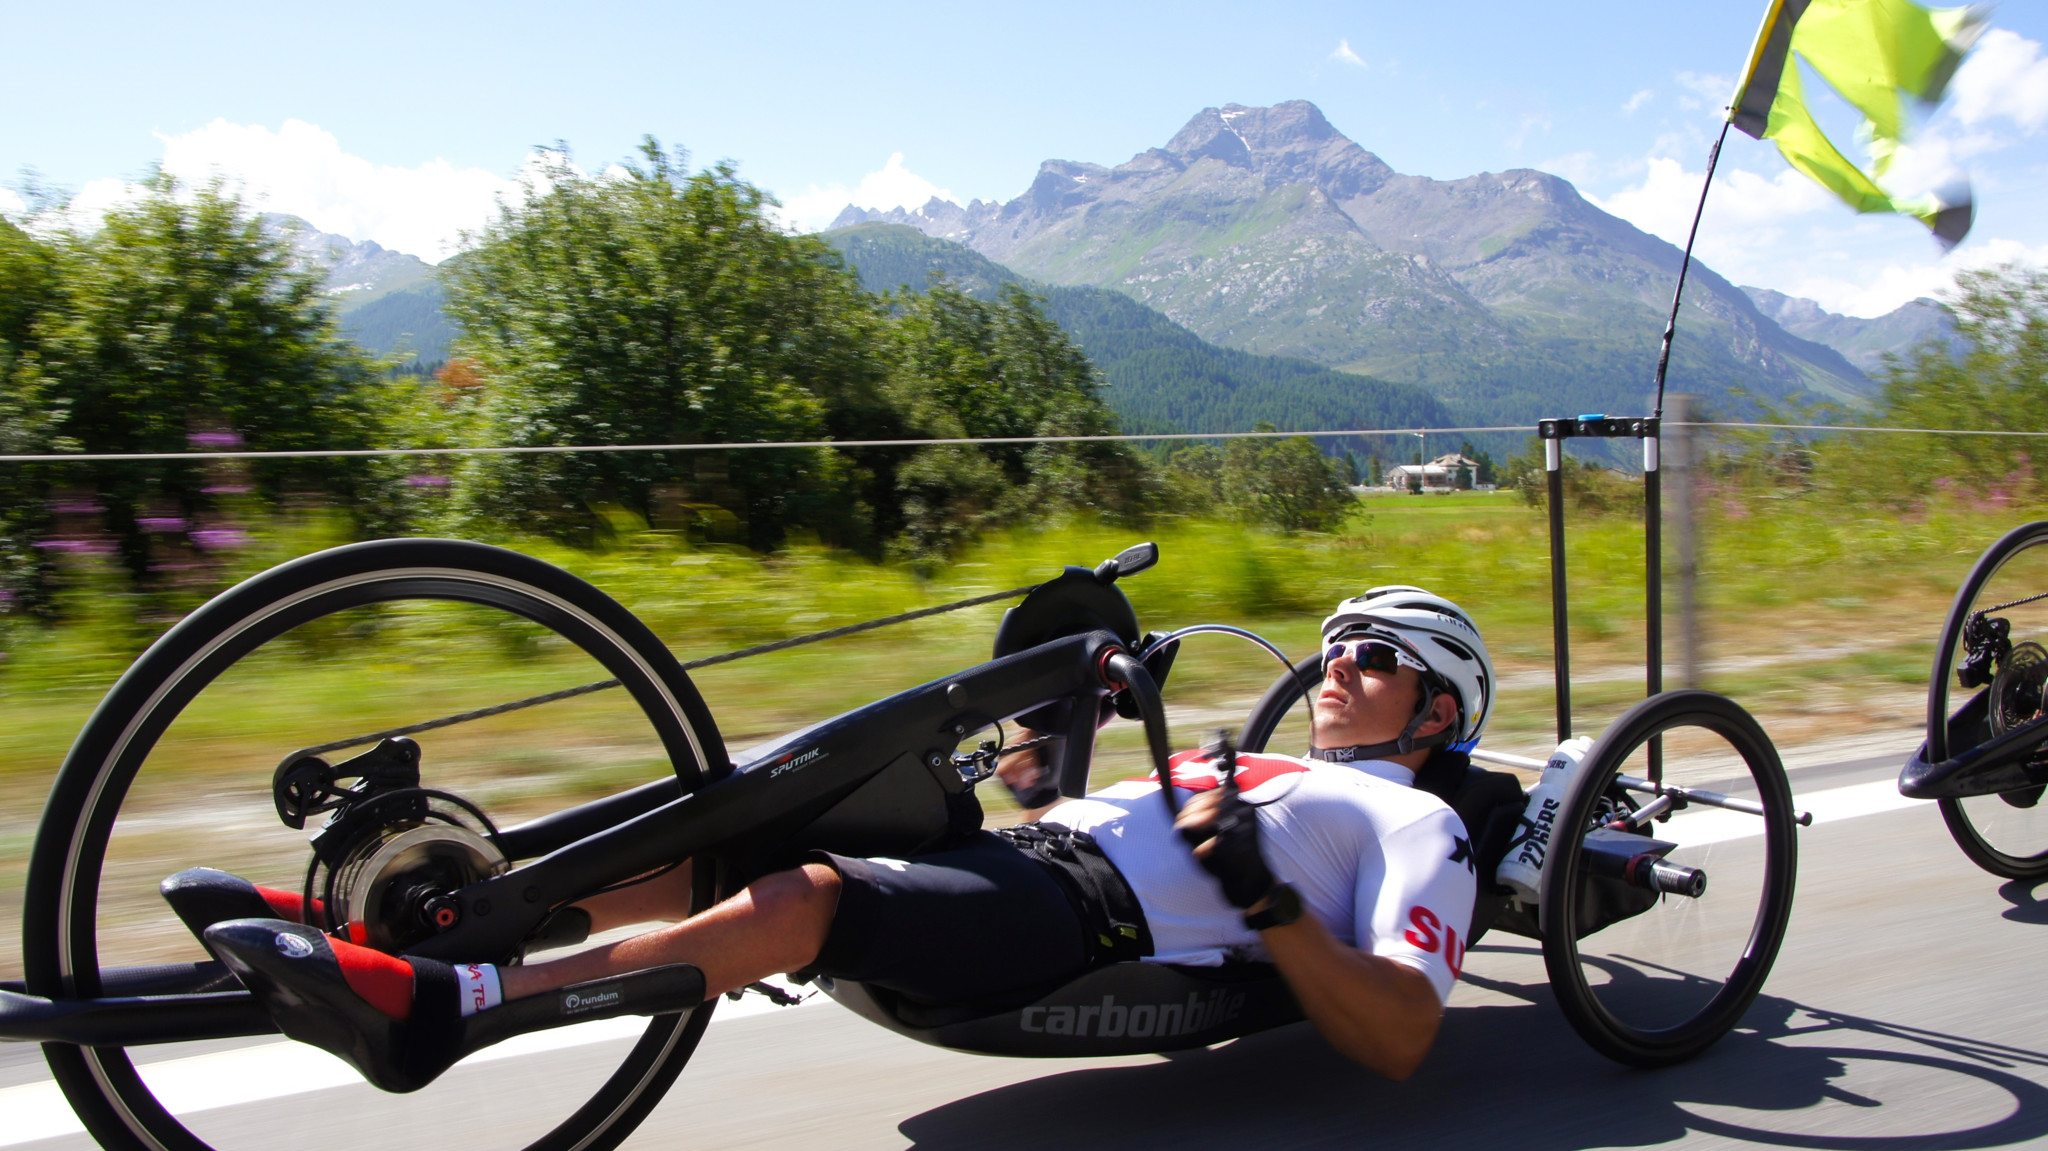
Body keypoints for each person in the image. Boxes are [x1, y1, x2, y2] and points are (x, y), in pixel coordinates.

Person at [194, 585, 1493, 1090]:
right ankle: (401, 926)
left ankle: (445, 1008)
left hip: (1086, 922)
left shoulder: (1420, 820)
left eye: (1369, 659)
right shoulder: (1252, 756)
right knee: (745, 822)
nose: (1332, 670)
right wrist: (1053, 728)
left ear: (1438, 706)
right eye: (1326, 649)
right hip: (1027, 858)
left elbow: (1400, 1029)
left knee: (809, 894)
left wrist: (1261, 895)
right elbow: (1050, 799)